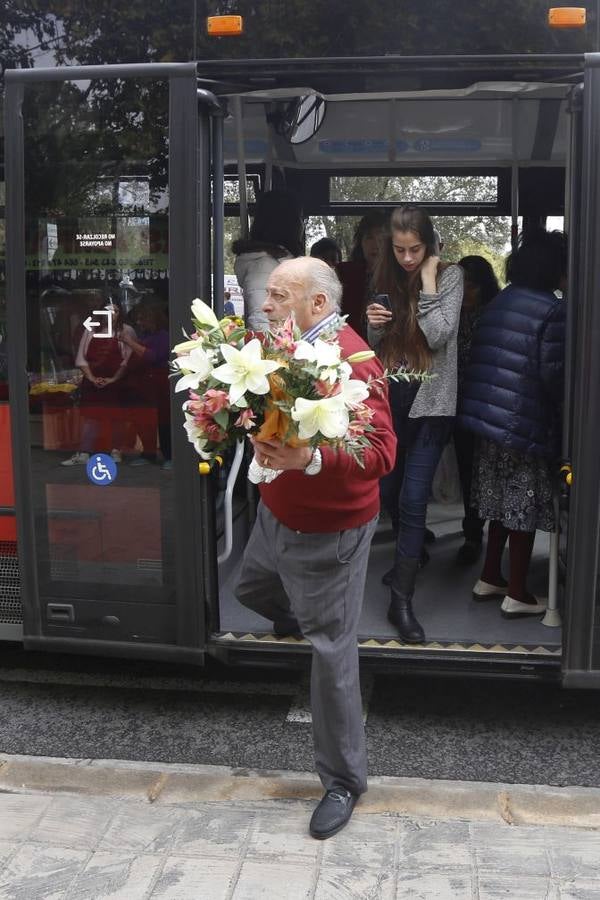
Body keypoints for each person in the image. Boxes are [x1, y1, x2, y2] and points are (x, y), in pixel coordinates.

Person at [235, 257, 396, 840]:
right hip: (276, 516)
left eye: (279, 295)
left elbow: (382, 455)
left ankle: (344, 781)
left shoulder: (354, 359)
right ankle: (305, 614)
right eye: (268, 294)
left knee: (331, 655)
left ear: (318, 305)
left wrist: (312, 458)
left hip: (331, 533)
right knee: (250, 588)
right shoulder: (280, 341)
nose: (267, 304)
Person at [366, 206, 464, 643]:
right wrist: (373, 328)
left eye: (415, 249)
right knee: (388, 492)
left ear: (429, 244)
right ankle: (412, 553)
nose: (407, 257)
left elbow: (441, 334)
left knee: (414, 499)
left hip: (431, 401)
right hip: (392, 398)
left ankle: (401, 600)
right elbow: (375, 348)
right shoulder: (384, 276)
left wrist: (427, 284)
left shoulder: (451, 276)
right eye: (400, 249)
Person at [459, 230, 567, 617]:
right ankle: (518, 592)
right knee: (522, 504)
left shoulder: (502, 299)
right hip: (524, 420)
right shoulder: (552, 310)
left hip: (487, 418)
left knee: (499, 503)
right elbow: (554, 377)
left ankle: (490, 576)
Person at [454, 255, 500, 565]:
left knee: (489, 474)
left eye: (472, 286)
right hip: (458, 407)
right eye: (461, 287)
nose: (466, 293)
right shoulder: (451, 317)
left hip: (488, 407)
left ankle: (482, 534)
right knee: (467, 470)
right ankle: (472, 532)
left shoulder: (494, 317)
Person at [61, 300, 135, 466]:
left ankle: (116, 450)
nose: (111, 314)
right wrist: (92, 378)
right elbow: (81, 358)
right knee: (91, 418)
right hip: (92, 381)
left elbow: (128, 359)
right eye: (107, 311)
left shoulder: (126, 331)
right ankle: (85, 452)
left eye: (115, 311)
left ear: (120, 313)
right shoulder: (91, 330)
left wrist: (114, 379)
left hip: (117, 383)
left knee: (117, 418)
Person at [232, 189, 304, 332]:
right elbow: (262, 324)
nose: (302, 224)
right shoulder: (264, 266)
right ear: (288, 222)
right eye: (300, 218)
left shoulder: (280, 262)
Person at [120, 302, 172, 469]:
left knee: (164, 421)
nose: (140, 323)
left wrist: (130, 342)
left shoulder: (163, 336)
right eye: (139, 320)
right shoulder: (146, 336)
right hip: (143, 384)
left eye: (143, 319)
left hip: (159, 384)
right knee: (144, 420)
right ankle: (148, 453)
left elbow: (152, 356)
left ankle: (169, 455)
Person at [336, 210, 388, 339]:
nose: (375, 244)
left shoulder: (401, 276)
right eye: (369, 237)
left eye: (381, 238)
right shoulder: (344, 273)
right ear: (361, 242)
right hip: (351, 344)